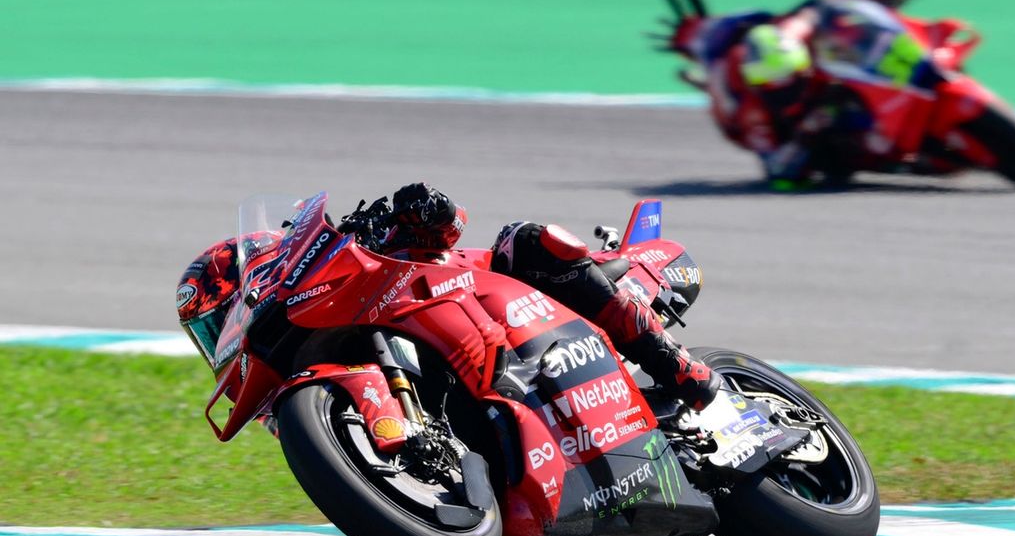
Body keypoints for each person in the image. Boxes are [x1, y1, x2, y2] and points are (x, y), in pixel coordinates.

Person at [177, 184, 721, 411]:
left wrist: (422, 211)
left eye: (222, 316)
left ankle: (675, 365)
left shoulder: (365, 264)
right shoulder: (300, 399)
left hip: (505, 297)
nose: (224, 335)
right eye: (209, 333)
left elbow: (450, 226)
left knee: (531, 240)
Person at [659, 0, 920, 190]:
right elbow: (779, 172)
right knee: (824, 164)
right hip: (766, 124)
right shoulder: (752, 117)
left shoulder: (793, 32)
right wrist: (811, 127)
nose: (790, 94)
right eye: (780, 92)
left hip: (761, 57)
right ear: (761, 88)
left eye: (794, 83)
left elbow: (824, 2)